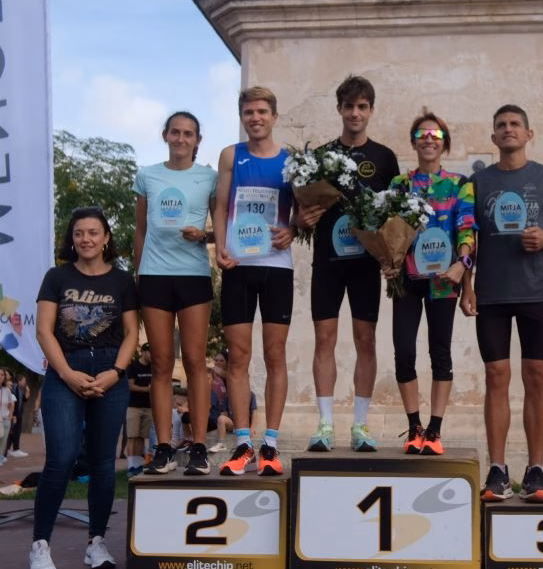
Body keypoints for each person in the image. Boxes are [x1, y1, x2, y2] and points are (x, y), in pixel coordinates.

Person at [461, 105, 543, 503]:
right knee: (496, 378)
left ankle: (535, 471)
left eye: (515, 125)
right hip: (491, 293)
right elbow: (467, 237)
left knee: (536, 378)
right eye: (501, 125)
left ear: (529, 133)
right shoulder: (477, 182)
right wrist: (466, 287)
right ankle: (498, 470)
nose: (508, 130)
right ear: (493, 138)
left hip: (536, 292)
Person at [29, 205, 139, 569]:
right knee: (60, 458)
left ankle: (97, 541)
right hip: (66, 370)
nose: (86, 239)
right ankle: (40, 545)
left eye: (93, 233)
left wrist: (116, 372)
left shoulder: (122, 281)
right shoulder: (57, 277)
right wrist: (66, 374)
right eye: (79, 233)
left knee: (103, 463)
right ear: (71, 239)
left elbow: (131, 334)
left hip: (110, 370)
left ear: (106, 238)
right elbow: (44, 330)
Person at [296, 75, 400, 453]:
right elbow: (301, 210)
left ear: (370, 110)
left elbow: (396, 215)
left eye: (362, 106)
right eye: (348, 106)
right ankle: (324, 425)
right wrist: (299, 220)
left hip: (364, 266)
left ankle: (360, 426)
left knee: (365, 340)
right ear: (339, 109)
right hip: (327, 261)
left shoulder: (385, 157)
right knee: (325, 339)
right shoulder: (320, 156)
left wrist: (392, 257)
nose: (355, 113)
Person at [212, 86, 300, 476]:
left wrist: (294, 229)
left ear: (274, 116)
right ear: (242, 116)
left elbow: (306, 206)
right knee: (238, 356)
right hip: (238, 265)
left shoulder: (291, 160)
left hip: (277, 266)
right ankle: (244, 442)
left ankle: (271, 444)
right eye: (249, 112)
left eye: (262, 111)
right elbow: (219, 205)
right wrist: (218, 247)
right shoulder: (232, 155)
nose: (255, 118)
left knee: (275, 353)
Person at [133, 111, 218, 477]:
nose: (181, 139)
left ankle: (199, 447)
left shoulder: (210, 178)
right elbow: (139, 229)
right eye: (175, 132)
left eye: (189, 134)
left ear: (198, 140)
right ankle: (164, 448)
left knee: (197, 362)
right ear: (165, 135)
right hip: (154, 275)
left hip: (194, 274)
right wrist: (138, 274)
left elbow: (222, 230)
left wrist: (207, 237)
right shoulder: (147, 175)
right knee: (162, 365)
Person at [386, 112, 475, 455]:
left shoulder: (459, 183)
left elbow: (467, 229)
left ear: (444, 142)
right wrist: (388, 260)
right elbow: (389, 231)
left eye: (435, 134)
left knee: (441, 353)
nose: (428, 139)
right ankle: (414, 427)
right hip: (407, 279)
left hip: (443, 280)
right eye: (421, 134)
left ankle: (435, 431)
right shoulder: (399, 184)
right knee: (404, 352)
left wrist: (462, 267)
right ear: (413, 142)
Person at [124, 344, 154, 475]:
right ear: (143, 352)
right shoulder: (133, 366)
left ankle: (138, 465)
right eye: (150, 352)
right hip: (134, 406)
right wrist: (147, 389)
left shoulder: (154, 367)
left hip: (149, 407)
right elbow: (130, 386)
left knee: (142, 437)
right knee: (132, 436)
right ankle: (131, 466)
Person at [6, 373, 30, 458]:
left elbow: (24, 399)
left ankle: (9, 449)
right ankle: (15, 449)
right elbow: (14, 402)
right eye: (24, 380)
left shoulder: (19, 389)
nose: (25, 382)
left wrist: (27, 391)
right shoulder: (15, 388)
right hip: (15, 414)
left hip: (18, 414)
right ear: (19, 380)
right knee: (14, 432)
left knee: (13, 432)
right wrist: (14, 414)